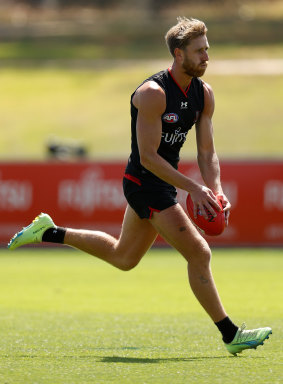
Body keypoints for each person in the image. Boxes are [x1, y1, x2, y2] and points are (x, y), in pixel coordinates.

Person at [8, 17, 271, 355]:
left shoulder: (204, 94)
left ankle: (48, 232)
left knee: (124, 257)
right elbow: (147, 158)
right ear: (178, 54)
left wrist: (215, 188)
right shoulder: (152, 94)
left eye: (208, 50)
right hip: (144, 182)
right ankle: (231, 334)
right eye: (200, 51)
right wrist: (193, 188)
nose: (207, 57)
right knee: (199, 252)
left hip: (163, 182)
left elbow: (207, 152)